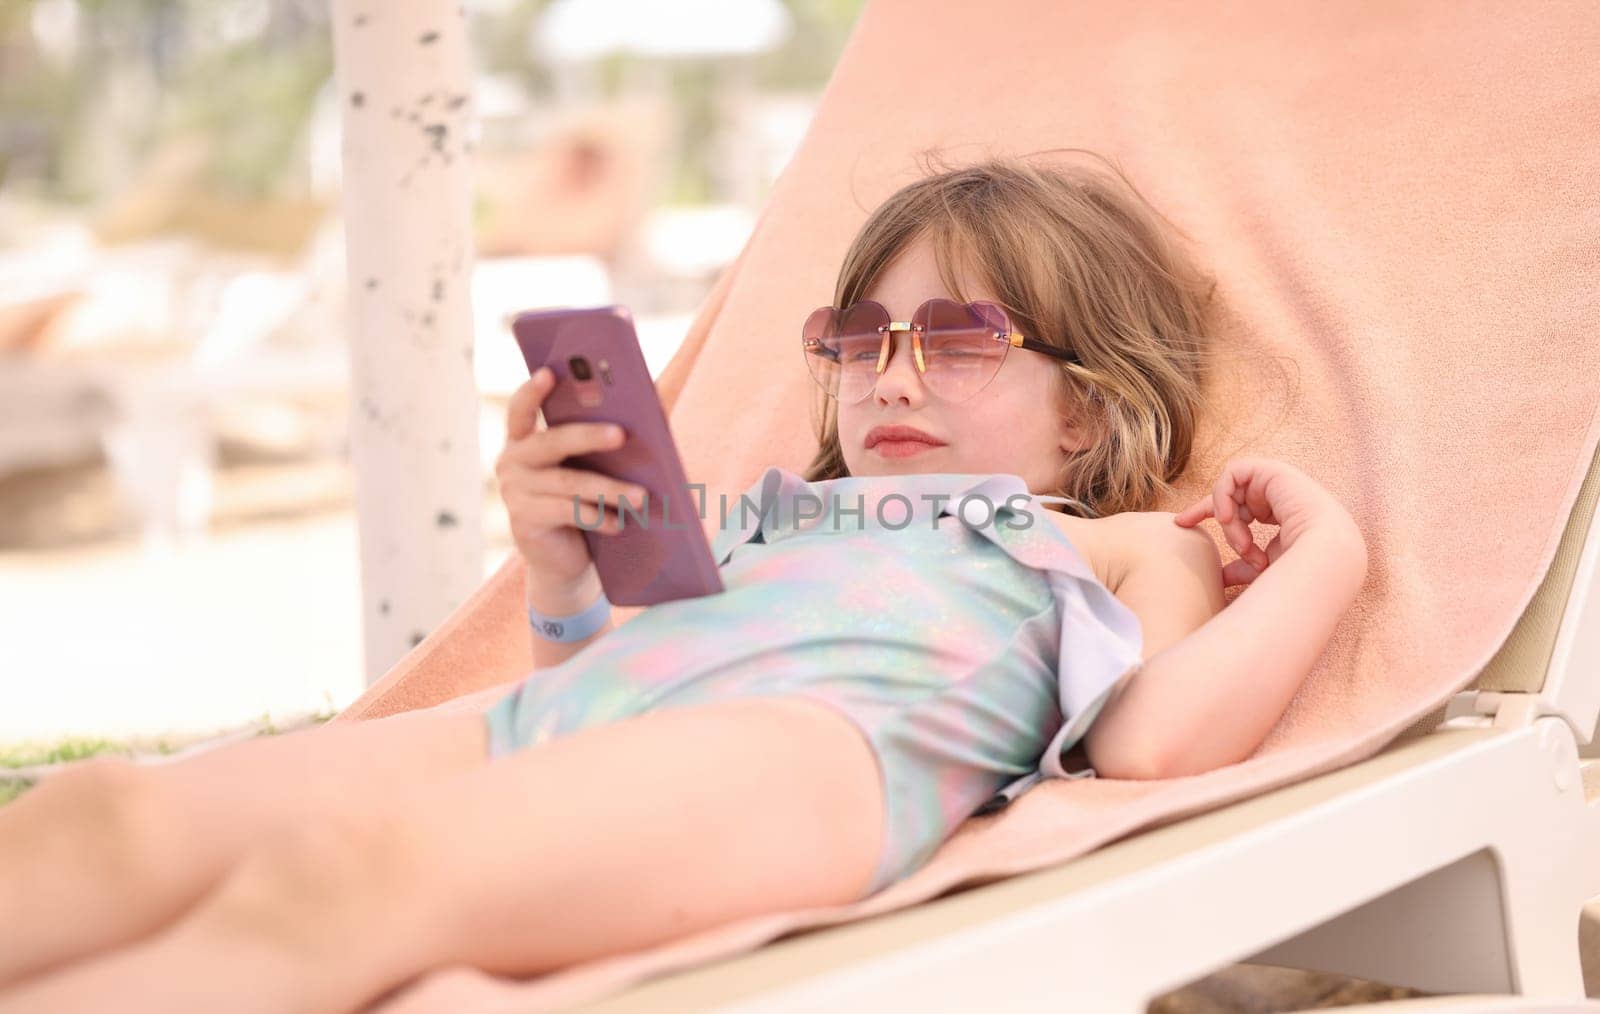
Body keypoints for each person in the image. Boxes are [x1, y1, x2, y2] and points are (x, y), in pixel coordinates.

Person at [0, 150, 1367, 1012]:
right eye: (859, 334)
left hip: (812, 754)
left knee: (349, 880)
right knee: (109, 812)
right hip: (608, 725)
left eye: (959, 337)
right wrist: (554, 568)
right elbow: (601, 696)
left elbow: (1153, 738)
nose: (891, 370)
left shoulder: (1113, 542)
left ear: (1087, 407)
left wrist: (1328, 558)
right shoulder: (772, 520)